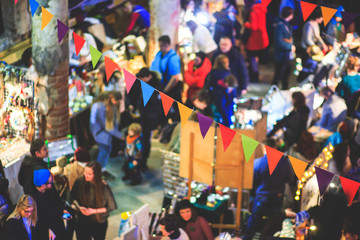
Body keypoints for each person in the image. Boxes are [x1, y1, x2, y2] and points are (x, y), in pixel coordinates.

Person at [242, 139, 295, 240]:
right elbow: (290, 180)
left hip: (261, 199)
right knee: (273, 225)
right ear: (275, 148)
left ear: (263, 148)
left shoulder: (257, 163)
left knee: (252, 225)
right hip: (277, 198)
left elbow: (251, 184)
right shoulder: (285, 163)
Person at [71, 161, 117, 240]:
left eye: (89, 174)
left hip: (98, 221)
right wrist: (78, 207)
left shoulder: (103, 187)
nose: (86, 175)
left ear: (96, 175)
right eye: (85, 172)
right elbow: (72, 197)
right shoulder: (79, 181)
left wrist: (93, 211)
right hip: (82, 220)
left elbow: (112, 206)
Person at [129, 67, 163, 171]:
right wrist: (132, 105)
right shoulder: (139, 82)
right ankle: (134, 161)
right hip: (139, 116)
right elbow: (132, 93)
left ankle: (143, 163)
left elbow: (158, 104)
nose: (141, 80)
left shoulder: (156, 85)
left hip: (149, 117)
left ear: (149, 76)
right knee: (136, 138)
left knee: (145, 141)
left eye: (143, 78)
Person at [26, 169, 67, 240]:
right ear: (43, 186)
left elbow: (58, 203)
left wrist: (63, 211)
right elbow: (35, 221)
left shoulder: (51, 189)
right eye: (50, 182)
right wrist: (47, 229)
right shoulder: (32, 200)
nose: (52, 182)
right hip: (46, 234)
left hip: (58, 226)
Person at [90, 91, 123, 176]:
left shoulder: (109, 105)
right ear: (111, 97)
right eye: (117, 101)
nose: (117, 104)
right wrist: (120, 135)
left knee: (107, 150)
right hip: (100, 134)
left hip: (106, 134)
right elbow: (105, 125)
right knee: (103, 151)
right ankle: (97, 172)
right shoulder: (100, 106)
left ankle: (102, 169)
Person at [150, 35, 182, 102]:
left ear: (166, 45)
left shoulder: (173, 58)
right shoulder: (159, 54)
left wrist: (164, 92)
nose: (160, 48)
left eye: (160, 46)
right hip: (158, 86)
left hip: (167, 90)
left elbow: (175, 78)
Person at [244, 0, 269, 82]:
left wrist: (246, 24)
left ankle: (254, 76)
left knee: (252, 58)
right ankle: (256, 74)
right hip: (261, 39)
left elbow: (254, 26)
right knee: (256, 58)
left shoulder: (254, 12)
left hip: (254, 40)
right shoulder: (262, 9)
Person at [272, 7, 295, 89]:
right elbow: (279, 41)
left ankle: (285, 90)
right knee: (278, 75)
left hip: (286, 54)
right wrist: (289, 46)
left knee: (285, 75)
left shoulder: (287, 25)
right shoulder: (280, 25)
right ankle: (274, 91)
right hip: (281, 54)